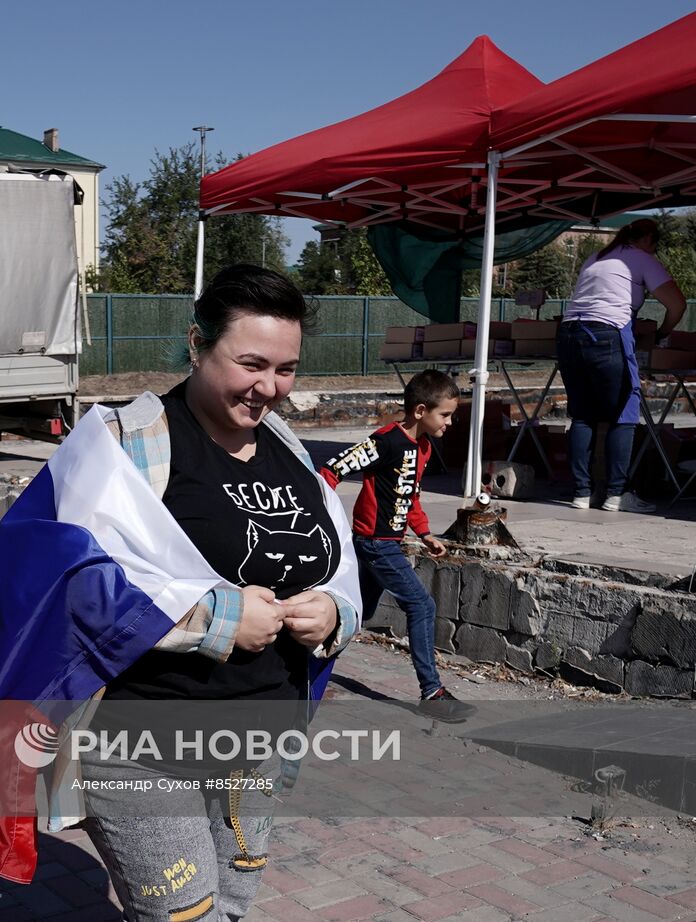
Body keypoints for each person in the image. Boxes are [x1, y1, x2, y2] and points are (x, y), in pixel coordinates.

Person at [78, 265, 361, 921]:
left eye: (286, 369)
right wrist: (218, 618)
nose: (269, 388)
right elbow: (78, 583)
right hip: (142, 750)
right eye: (251, 364)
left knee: (232, 908)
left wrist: (334, 611)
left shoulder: (289, 450)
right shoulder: (125, 442)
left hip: (260, 747)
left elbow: (337, 564)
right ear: (197, 344)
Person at [320, 369, 476, 722]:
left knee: (357, 613)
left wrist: (425, 533)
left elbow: (410, 496)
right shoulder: (385, 441)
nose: (450, 422)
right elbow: (332, 470)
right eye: (445, 414)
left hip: (387, 542)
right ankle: (432, 692)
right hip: (376, 544)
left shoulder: (423, 447)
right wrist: (323, 519)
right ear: (420, 411)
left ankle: (303, 667)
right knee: (421, 605)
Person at [558, 217, 687, 513]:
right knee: (623, 413)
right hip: (607, 334)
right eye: (655, 246)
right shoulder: (641, 258)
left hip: (569, 334)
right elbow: (677, 304)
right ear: (648, 240)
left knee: (582, 415)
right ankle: (617, 494)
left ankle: (581, 493)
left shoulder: (596, 257)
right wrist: (662, 333)